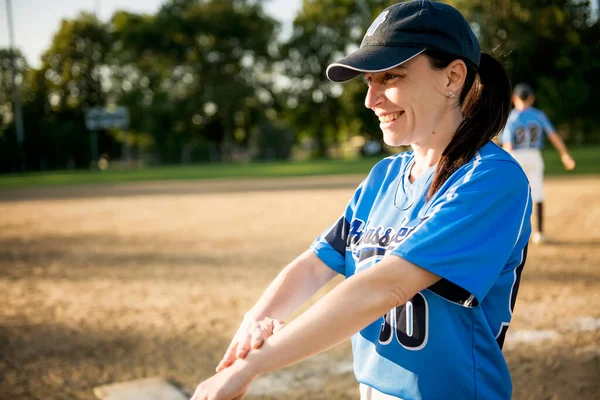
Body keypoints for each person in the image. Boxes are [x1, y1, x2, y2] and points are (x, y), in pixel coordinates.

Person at [191, 1, 532, 399]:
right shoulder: (384, 177)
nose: (371, 100)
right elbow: (314, 265)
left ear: (452, 77)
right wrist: (254, 324)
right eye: (368, 81)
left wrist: (253, 366)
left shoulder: (490, 179)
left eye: (391, 76)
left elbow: (384, 287)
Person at [501, 83, 575, 244]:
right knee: (538, 193)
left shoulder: (511, 118)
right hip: (534, 156)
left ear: (514, 99)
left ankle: (513, 233)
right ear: (531, 99)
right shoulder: (538, 115)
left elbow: (508, 145)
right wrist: (565, 155)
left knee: (514, 195)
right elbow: (553, 135)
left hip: (517, 157)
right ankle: (539, 233)